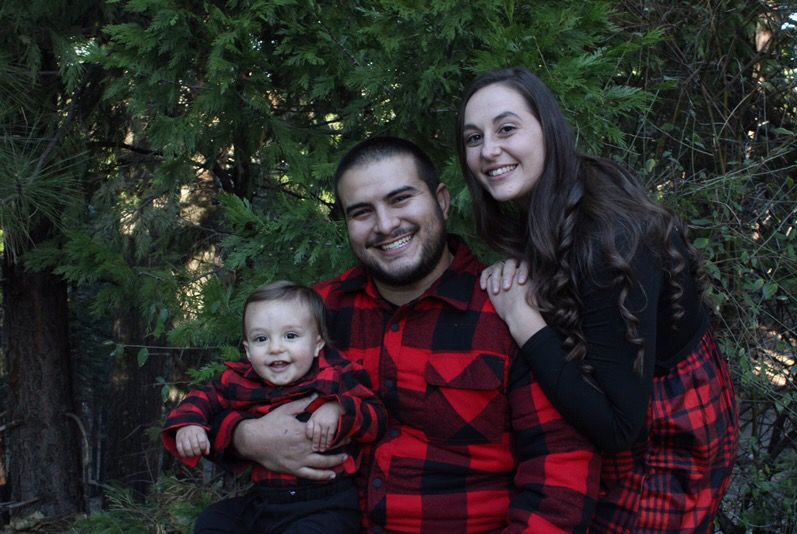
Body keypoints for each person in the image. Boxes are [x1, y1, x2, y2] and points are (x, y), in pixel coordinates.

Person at [206, 136, 601, 532]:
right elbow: (223, 397)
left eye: (400, 199)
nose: (385, 224)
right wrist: (246, 437)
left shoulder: (508, 309)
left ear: (441, 200)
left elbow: (561, 466)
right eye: (362, 212)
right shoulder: (317, 315)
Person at [456, 66, 739, 533]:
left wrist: (523, 319)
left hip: (670, 427)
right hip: (629, 395)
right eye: (472, 137)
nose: (488, 150)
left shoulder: (607, 240)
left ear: (547, 130)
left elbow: (618, 427)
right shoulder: (554, 200)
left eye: (507, 129)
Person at [161, 280, 387, 533]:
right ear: (247, 350)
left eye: (290, 336)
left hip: (326, 504)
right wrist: (189, 424)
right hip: (265, 500)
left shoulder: (336, 376)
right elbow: (203, 398)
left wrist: (338, 408)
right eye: (261, 339)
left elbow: (376, 417)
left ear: (317, 344)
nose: (276, 348)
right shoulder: (241, 381)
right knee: (214, 520)